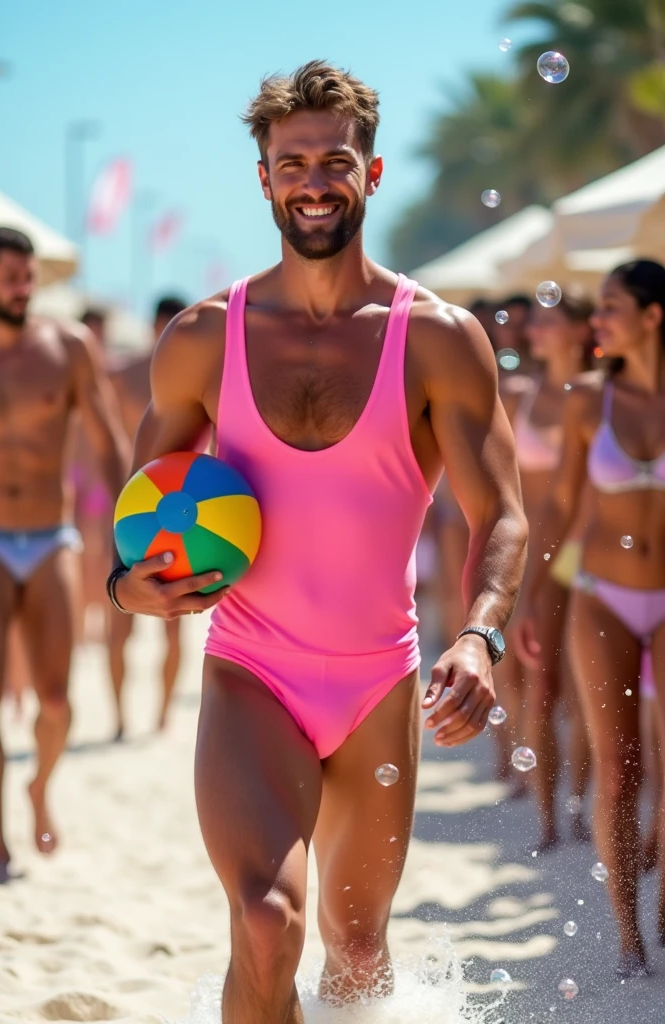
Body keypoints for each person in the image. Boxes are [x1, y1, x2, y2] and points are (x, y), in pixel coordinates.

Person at [109, 61, 527, 1020]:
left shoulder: (437, 337)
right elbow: (136, 524)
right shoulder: (201, 338)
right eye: (290, 163)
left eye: (335, 160)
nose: (313, 182)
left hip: (380, 678)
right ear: (263, 178)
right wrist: (129, 589)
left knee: (359, 948)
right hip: (251, 668)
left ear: (370, 175)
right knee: (265, 923)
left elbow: (501, 511)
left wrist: (480, 634)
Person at [515, 259, 665, 978]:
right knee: (619, 770)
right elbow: (557, 511)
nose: (597, 321)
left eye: (610, 308)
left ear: (653, 316)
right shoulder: (585, 403)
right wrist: (526, 597)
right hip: (602, 593)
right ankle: (629, 940)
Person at [0, 227, 128, 883]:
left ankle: (39, 785)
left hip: (50, 534)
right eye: (11, 275)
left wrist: (132, 524)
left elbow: (107, 436)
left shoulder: (65, 347)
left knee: (58, 699)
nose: (24, 287)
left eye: (29, 276)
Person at [503, 293, 594, 849]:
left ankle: (580, 805)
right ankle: (548, 818)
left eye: (549, 320)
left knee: (583, 691)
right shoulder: (519, 394)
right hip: (532, 554)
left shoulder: (600, 396)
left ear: (582, 330)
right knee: (537, 685)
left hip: (585, 555)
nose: (534, 329)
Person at [107, 296, 188, 738]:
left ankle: (162, 712)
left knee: (174, 620)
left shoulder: (199, 379)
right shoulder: (122, 375)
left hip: (180, 513)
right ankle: (120, 715)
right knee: (119, 618)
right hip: (128, 509)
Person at [71, 306, 118, 641]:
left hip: (97, 479)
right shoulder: (71, 369)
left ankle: (95, 619)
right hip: (75, 475)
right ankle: (84, 619)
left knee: (98, 551)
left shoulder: (109, 373)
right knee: (81, 553)